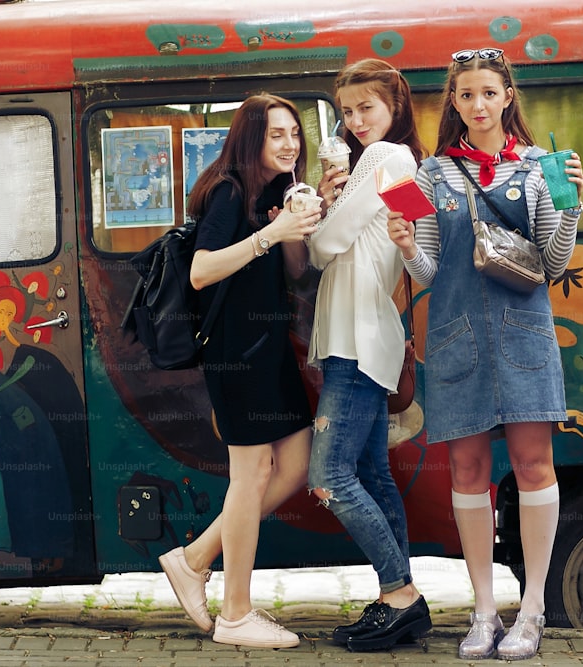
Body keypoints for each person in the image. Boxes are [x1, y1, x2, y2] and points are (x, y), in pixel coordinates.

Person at [387, 48, 583, 661]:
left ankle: (532, 610)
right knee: (469, 473)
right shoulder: (427, 177)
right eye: (465, 94)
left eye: (488, 93)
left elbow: (552, 265)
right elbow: (425, 271)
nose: (477, 105)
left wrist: (570, 205)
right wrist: (401, 244)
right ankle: (483, 611)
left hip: (524, 333)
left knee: (533, 468)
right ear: (454, 101)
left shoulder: (541, 166)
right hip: (455, 336)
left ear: (507, 99)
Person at [158, 94, 321, 649]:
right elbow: (203, 272)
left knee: (295, 464)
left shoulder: (273, 192)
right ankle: (235, 614)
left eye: (295, 135)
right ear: (251, 138)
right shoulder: (228, 190)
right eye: (276, 134)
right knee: (250, 475)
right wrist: (270, 235)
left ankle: (195, 557)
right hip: (236, 353)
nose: (289, 144)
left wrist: (297, 226)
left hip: (270, 350)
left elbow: (293, 272)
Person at [304, 59, 432, 652]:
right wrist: (337, 198)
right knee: (375, 475)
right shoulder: (398, 164)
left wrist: (324, 216)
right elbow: (417, 247)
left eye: (367, 109)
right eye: (347, 111)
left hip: (356, 339)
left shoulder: (385, 159)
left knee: (329, 475)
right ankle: (396, 601)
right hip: (367, 333)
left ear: (394, 108)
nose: (356, 121)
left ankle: (401, 594)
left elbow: (323, 248)